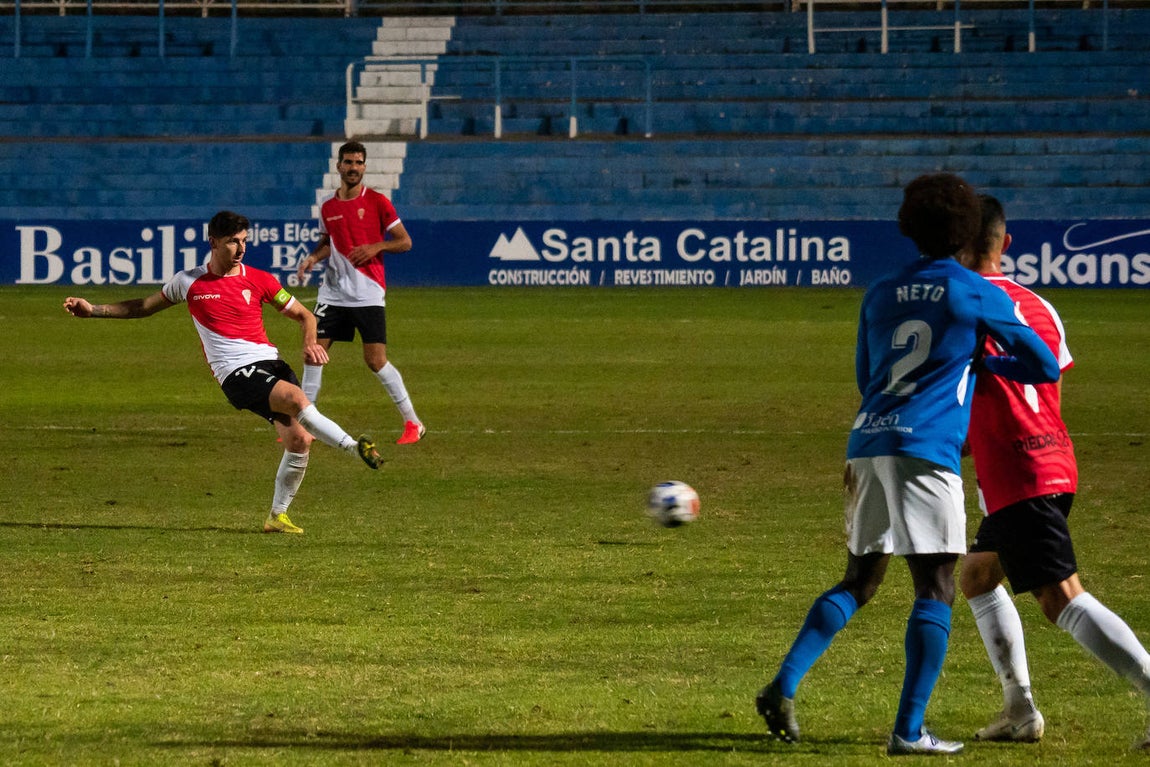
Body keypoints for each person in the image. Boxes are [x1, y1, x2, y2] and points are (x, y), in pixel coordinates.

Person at [755, 174, 1061, 756]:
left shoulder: (881, 290)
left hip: (868, 441)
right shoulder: (973, 290)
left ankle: (783, 683)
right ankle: (908, 730)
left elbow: (865, 374)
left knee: (860, 579)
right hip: (927, 450)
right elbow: (1044, 364)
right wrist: (987, 368)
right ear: (968, 231)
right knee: (938, 584)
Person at [958, 195, 1150, 748]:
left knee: (1061, 597)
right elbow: (1051, 386)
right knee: (977, 577)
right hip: (1054, 457)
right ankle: (1019, 711)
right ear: (1006, 243)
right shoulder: (1039, 305)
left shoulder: (964, 306)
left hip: (1017, 469)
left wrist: (971, 440)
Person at [63, 210, 383, 535]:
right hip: (234, 372)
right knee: (296, 399)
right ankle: (353, 447)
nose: (241, 249)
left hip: (271, 364)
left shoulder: (260, 279)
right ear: (213, 242)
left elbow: (305, 315)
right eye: (233, 242)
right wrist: (94, 311)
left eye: (244, 241)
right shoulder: (188, 282)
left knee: (299, 440)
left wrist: (310, 342)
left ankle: (277, 516)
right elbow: (142, 307)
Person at [296, 140, 425, 446]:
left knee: (376, 360)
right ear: (339, 166)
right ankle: (304, 424)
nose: (353, 168)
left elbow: (405, 242)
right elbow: (330, 242)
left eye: (358, 162)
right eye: (348, 162)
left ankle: (413, 422)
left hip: (367, 294)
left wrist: (377, 246)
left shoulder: (378, 202)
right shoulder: (328, 207)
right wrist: (314, 257)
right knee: (313, 354)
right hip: (332, 294)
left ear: (364, 167)